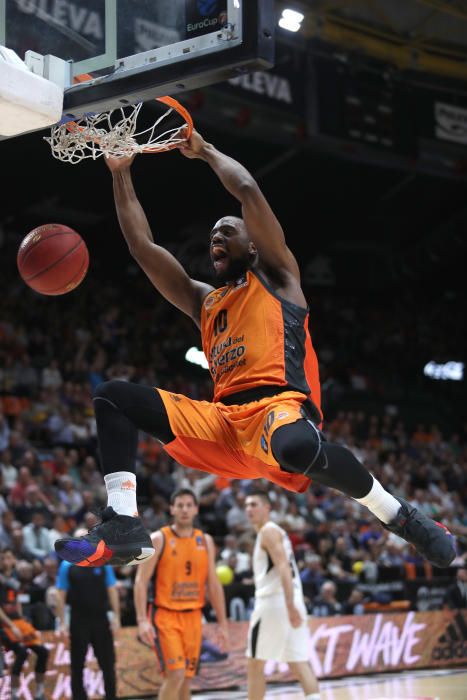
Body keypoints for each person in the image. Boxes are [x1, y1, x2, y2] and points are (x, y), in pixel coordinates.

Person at [54, 129, 455, 572]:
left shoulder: (280, 278)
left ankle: (398, 515)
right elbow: (143, 247)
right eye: (211, 237)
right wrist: (121, 174)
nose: (216, 239)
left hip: (276, 411)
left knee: (299, 448)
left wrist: (205, 151)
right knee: (113, 396)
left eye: (227, 231)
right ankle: (124, 523)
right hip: (224, 424)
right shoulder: (203, 302)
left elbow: (246, 189)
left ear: (253, 245)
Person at [134, 488, 228, 700]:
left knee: (186, 678)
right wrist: (141, 619)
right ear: (172, 509)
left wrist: (222, 623)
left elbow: (213, 585)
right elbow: (141, 581)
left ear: (196, 509)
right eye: (180, 505)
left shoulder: (206, 541)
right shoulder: (159, 538)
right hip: (165, 615)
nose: (184, 509)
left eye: (189, 505)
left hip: (194, 616)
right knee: (175, 673)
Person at [245, 489, 320, 700]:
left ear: (267, 508)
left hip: (275, 602)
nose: (249, 509)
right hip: (290, 598)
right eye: (247, 505)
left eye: (254, 504)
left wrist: (288, 605)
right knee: (298, 662)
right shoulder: (276, 532)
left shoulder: (268, 531)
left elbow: (283, 567)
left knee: (255, 663)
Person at [55, 529, 120, 700]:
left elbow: (112, 589)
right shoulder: (67, 565)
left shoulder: (102, 563)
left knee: (107, 664)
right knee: (77, 665)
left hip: (101, 620)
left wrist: (117, 617)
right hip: (78, 621)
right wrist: (61, 623)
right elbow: (60, 595)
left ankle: (111, 696)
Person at [0, 549, 49, 700]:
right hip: (4, 624)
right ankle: (14, 694)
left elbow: (16, 601)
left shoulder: (14, 579)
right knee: (22, 652)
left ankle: (39, 693)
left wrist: (22, 619)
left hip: (17, 621)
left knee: (43, 651)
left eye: (9, 557)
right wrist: (12, 625)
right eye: (4, 558)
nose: (7, 561)